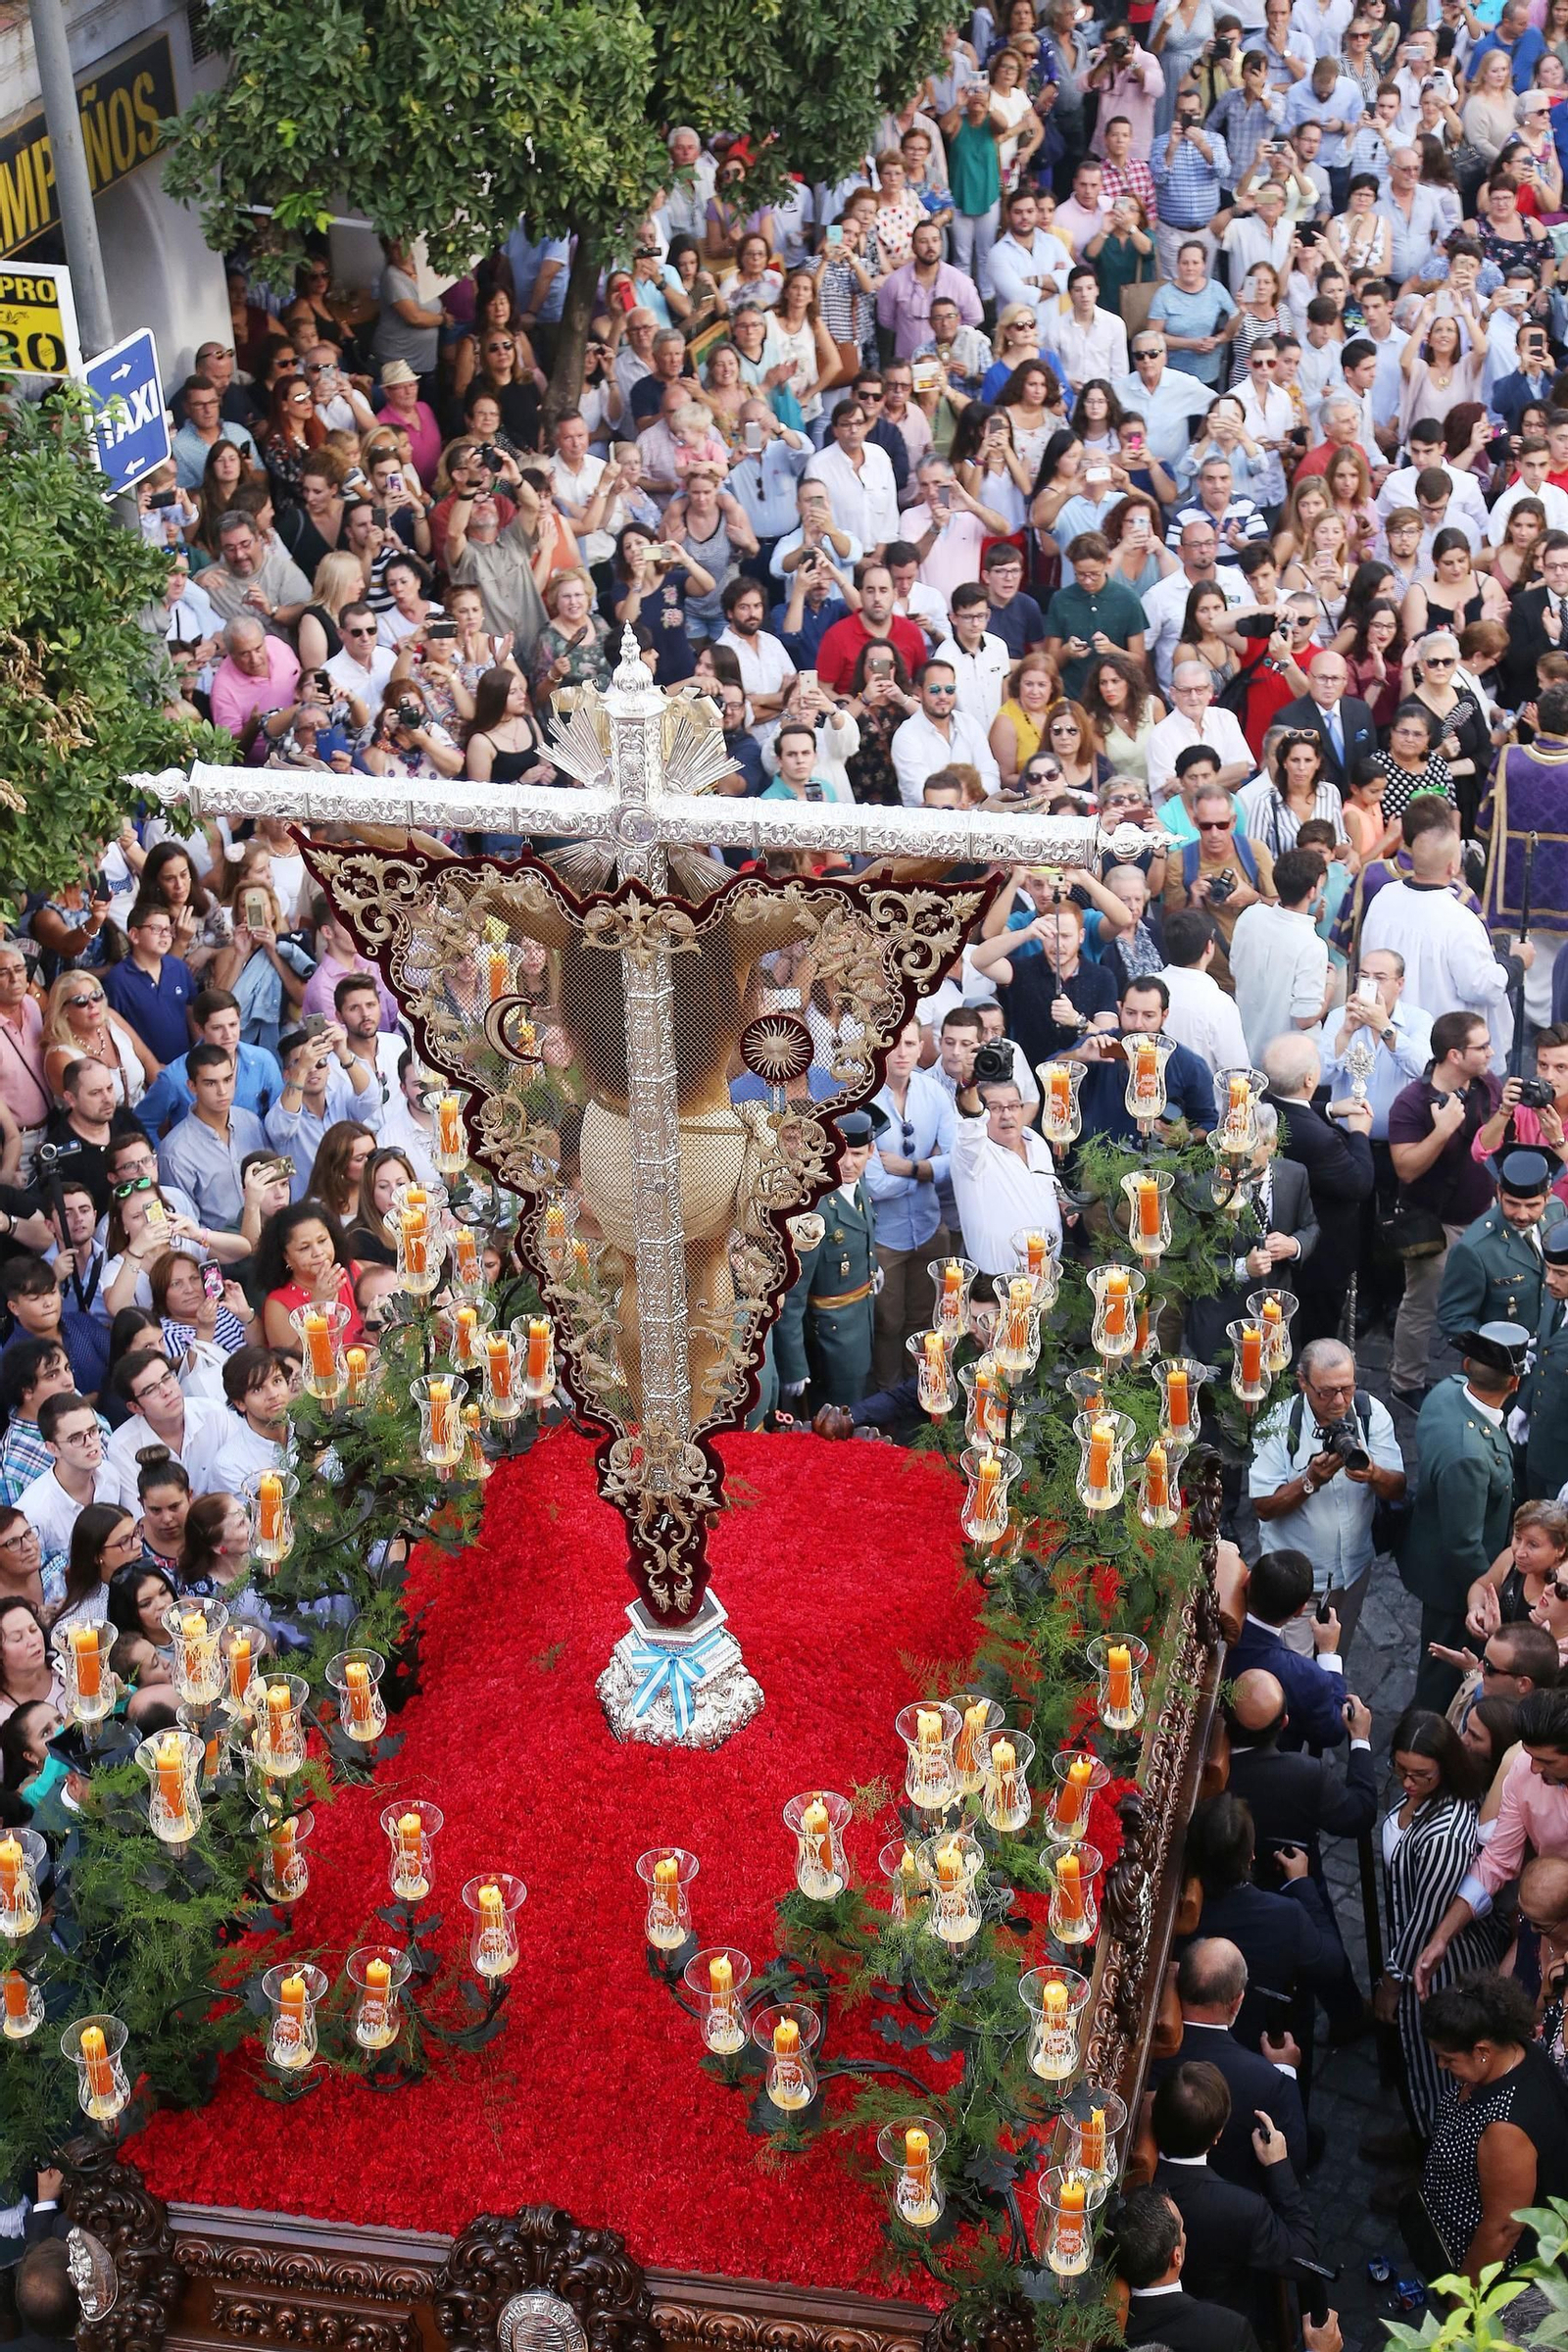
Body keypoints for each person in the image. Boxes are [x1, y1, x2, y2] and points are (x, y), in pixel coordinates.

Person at [1249, 1341, 1405, 1651]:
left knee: (1336, 1657)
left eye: (1347, 1389)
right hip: (1295, 1583)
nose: (1339, 1401)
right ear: (1303, 1382)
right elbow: (1264, 1506)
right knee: (1294, 1668)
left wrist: (1374, 1474)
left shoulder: (1371, 1414)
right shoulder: (1277, 1424)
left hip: (1353, 1572)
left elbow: (1398, 1488)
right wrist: (1310, 1481)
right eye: (1326, 1392)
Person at [1404, 1322, 1529, 1709]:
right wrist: (1490, 1590)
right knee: (1442, 1675)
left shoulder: (1445, 1391)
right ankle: (1424, 1734)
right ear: (1514, 1383)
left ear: (1465, 1365)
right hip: (1454, 1584)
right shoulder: (1470, 1456)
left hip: (1432, 1544)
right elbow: (1464, 1544)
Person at [1413, 1972, 1568, 2283]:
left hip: (1493, 2267)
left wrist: (1464, 2294)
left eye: (1448, 2059)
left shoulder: (1506, 2130)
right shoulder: (1514, 2050)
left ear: (1482, 2052)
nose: (1441, 2065)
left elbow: (1502, 2229)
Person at [1149, 2062, 1319, 2332]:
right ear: (1218, 2135)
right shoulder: (1242, 2209)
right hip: (1223, 2324)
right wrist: (1279, 2166)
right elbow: (1304, 2258)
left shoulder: (1140, 2178)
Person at [863, 1023, 956, 1391]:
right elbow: (875, 1184)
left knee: (924, 1319)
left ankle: (919, 1393)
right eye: (892, 1043)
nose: (901, 1052)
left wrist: (908, 1167)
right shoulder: (864, 1100)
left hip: (931, 1228)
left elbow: (955, 1162)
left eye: (910, 1043)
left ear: (921, 1048)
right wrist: (928, 1169)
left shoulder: (934, 1093)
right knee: (887, 1321)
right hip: (885, 1236)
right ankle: (886, 1396)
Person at [774, 1112, 878, 1411]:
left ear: (871, 1151)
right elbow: (793, 1295)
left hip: (861, 1320)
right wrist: (794, 1366)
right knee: (835, 1416)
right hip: (830, 1341)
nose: (848, 1164)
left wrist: (872, 1268)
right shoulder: (816, 1207)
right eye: (841, 1154)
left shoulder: (858, 1182)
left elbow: (863, 1230)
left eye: (857, 1154)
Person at [1226, 1545, 1355, 1753]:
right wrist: (1328, 1652)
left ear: (1248, 1580)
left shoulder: (1213, 1614)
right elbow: (1332, 1730)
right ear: (1300, 1610)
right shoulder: (1305, 1677)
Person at [1439, 1149, 1564, 1349]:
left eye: (1532, 1205)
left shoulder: (1557, 1212)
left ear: (1548, 1197)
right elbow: (1454, 1319)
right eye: (1512, 1204)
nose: (1522, 1215)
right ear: (1499, 1192)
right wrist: (1502, 1354)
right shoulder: (1473, 1250)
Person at [1227, 848, 1330, 1066]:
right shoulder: (1312, 946)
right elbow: (1305, 1018)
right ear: (1312, 891)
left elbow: (1235, 969)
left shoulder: (1251, 915)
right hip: (1283, 1063)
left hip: (1243, 1047)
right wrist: (1330, 985)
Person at [1158, 909, 1250, 1076]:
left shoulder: (1147, 986)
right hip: (1201, 1092)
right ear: (1209, 946)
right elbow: (1237, 1072)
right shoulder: (1220, 1003)